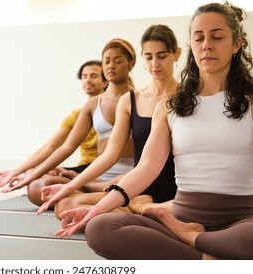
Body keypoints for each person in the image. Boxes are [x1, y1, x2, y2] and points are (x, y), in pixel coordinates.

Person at [55, 2, 253, 260]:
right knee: (101, 228)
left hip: (240, 219)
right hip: (182, 213)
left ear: (236, 44)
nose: (206, 45)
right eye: (199, 38)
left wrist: (187, 234)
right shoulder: (170, 106)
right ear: (191, 45)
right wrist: (97, 209)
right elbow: (145, 168)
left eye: (217, 37)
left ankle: (190, 238)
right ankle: (207, 257)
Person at [37, 24, 181, 218]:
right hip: (138, 183)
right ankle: (141, 211)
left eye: (162, 56)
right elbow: (110, 154)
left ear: (176, 54)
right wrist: (72, 184)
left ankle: (144, 210)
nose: (155, 63)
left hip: (173, 186)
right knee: (65, 206)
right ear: (142, 57)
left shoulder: (187, 96)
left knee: (94, 212)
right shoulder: (131, 100)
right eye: (149, 57)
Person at [0, 38, 137, 204]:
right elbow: (66, 146)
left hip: (129, 175)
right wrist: (28, 174)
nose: (111, 66)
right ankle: (95, 194)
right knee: (37, 189)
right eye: (107, 61)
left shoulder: (140, 99)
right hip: (98, 175)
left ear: (130, 63)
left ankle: (93, 195)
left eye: (118, 61)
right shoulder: (92, 105)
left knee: (70, 199)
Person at [0, 60, 107, 197]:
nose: (87, 80)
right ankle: (82, 187)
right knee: (33, 175)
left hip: (102, 168)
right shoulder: (76, 116)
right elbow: (49, 147)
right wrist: (15, 172)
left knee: (41, 184)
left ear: (105, 82)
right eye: (84, 76)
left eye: (93, 76)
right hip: (82, 168)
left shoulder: (115, 109)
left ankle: (85, 188)